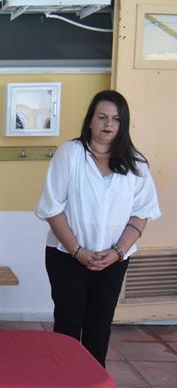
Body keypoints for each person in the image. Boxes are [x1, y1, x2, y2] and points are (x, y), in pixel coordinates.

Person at [36, 90, 161, 367]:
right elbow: (52, 208)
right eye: (102, 117)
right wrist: (77, 251)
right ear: (90, 120)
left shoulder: (136, 163)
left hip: (113, 259)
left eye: (116, 119)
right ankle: (64, 380)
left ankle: (94, 384)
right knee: (68, 323)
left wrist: (118, 252)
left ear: (123, 124)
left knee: (100, 325)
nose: (109, 124)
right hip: (66, 255)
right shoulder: (70, 154)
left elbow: (142, 214)